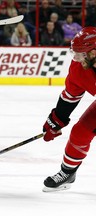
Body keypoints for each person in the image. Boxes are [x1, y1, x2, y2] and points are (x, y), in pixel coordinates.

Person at [42, 27, 96, 192]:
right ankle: (68, 173)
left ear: (93, 53)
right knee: (80, 132)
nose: (77, 59)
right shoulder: (79, 68)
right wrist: (56, 120)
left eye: (81, 54)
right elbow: (70, 96)